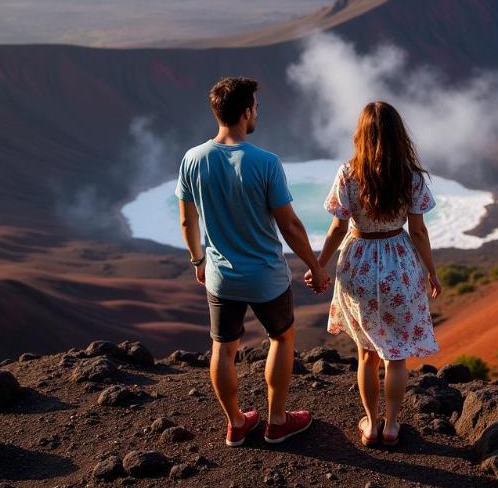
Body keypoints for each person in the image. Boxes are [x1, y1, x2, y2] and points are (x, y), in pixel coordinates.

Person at [176, 76, 330, 447]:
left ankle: (235, 424)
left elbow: (187, 220)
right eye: (256, 107)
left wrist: (198, 259)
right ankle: (277, 421)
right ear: (246, 113)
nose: (257, 112)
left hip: (220, 277)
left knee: (223, 348)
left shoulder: (192, 159)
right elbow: (289, 224)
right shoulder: (266, 162)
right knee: (282, 337)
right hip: (266, 277)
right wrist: (316, 264)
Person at [306, 101, 441, 447]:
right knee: (395, 356)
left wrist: (319, 265)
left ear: (361, 135)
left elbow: (337, 228)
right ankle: (393, 426)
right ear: (399, 135)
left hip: (358, 263)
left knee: (366, 354)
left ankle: (371, 423)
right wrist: (431, 272)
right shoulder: (410, 177)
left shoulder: (348, 174)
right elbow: (419, 232)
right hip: (399, 263)